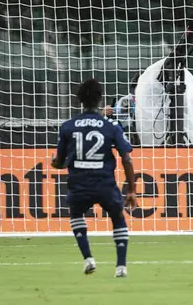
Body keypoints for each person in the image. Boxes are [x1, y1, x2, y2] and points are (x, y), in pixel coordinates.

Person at [51, 78, 138, 277]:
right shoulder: (111, 126)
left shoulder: (68, 127)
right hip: (105, 183)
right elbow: (127, 158)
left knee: (76, 213)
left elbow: (59, 162)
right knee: (117, 217)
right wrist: (132, 189)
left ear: (80, 100)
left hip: (79, 184)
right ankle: (121, 267)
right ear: (100, 99)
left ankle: (88, 259)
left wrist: (54, 162)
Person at [102, 72, 141, 145]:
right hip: (132, 139)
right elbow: (112, 112)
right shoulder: (126, 101)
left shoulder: (155, 102)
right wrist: (106, 111)